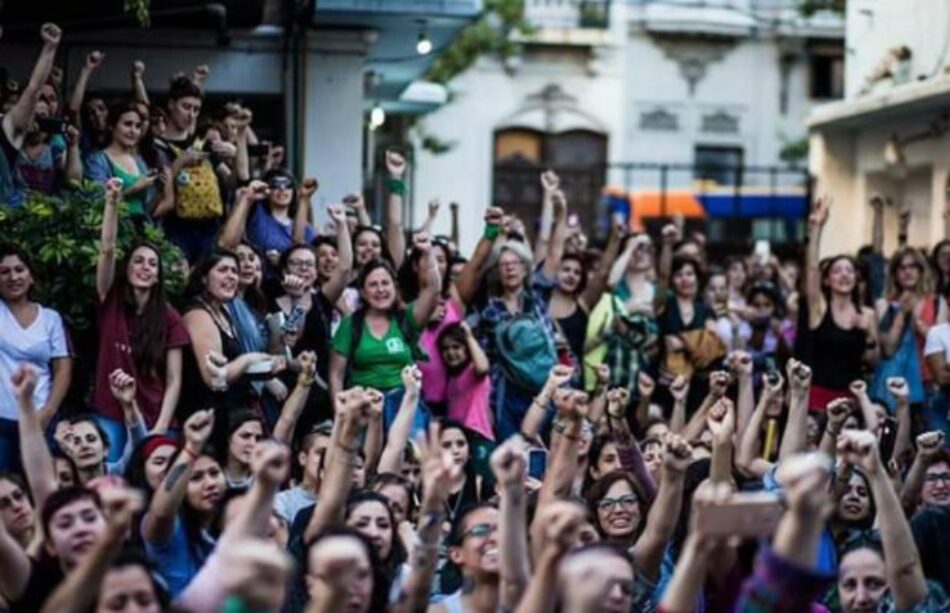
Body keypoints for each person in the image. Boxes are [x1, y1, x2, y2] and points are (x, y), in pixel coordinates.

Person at [92, 178, 188, 455]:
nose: (145, 267)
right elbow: (107, 248)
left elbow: (173, 381)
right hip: (110, 413)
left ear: (159, 274)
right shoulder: (110, 300)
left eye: (152, 263)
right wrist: (112, 202)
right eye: (138, 260)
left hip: (155, 414)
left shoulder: (170, 317)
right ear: (128, 268)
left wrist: (160, 427)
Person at [330, 233, 441, 435]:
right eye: (373, 284)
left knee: (409, 461)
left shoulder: (406, 318)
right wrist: (342, 415)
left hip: (403, 405)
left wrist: (427, 253)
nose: (380, 289)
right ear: (362, 292)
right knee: (368, 464)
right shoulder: (350, 325)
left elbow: (432, 290)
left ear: (394, 287)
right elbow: (336, 374)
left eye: (385, 283)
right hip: (364, 406)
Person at [0, 243, 72, 471]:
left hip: (41, 419)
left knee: (42, 490)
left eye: (20, 270)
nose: (13, 277)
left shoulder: (50, 318)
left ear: (31, 276)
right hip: (1, 422)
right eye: (4, 272)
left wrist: (47, 413)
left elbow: (63, 369)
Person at [805, 197, 880, 410]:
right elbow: (812, 269)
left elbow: (873, 362)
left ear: (856, 279)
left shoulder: (866, 314)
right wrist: (817, 227)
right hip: (818, 395)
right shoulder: (819, 309)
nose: (844, 275)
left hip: (851, 397)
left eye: (849, 271)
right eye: (837, 271)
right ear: (827, 280)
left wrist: (869, 336)